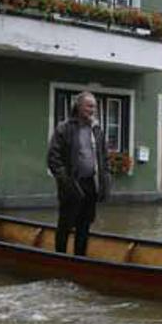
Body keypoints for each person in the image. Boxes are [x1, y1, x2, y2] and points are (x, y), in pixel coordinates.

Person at [47, 92, 111, 256]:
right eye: (89, 106)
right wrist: (66, 181)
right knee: (66, 224)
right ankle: (59, 257)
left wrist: (106, 181)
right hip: (71, 184)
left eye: (95, 106)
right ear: (79, 106)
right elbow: (53, 159)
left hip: (91, 183)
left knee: (84, 225)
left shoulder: (97, 130)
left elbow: (104, 157)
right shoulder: (64, 128)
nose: (93, 110)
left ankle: (80, 258)